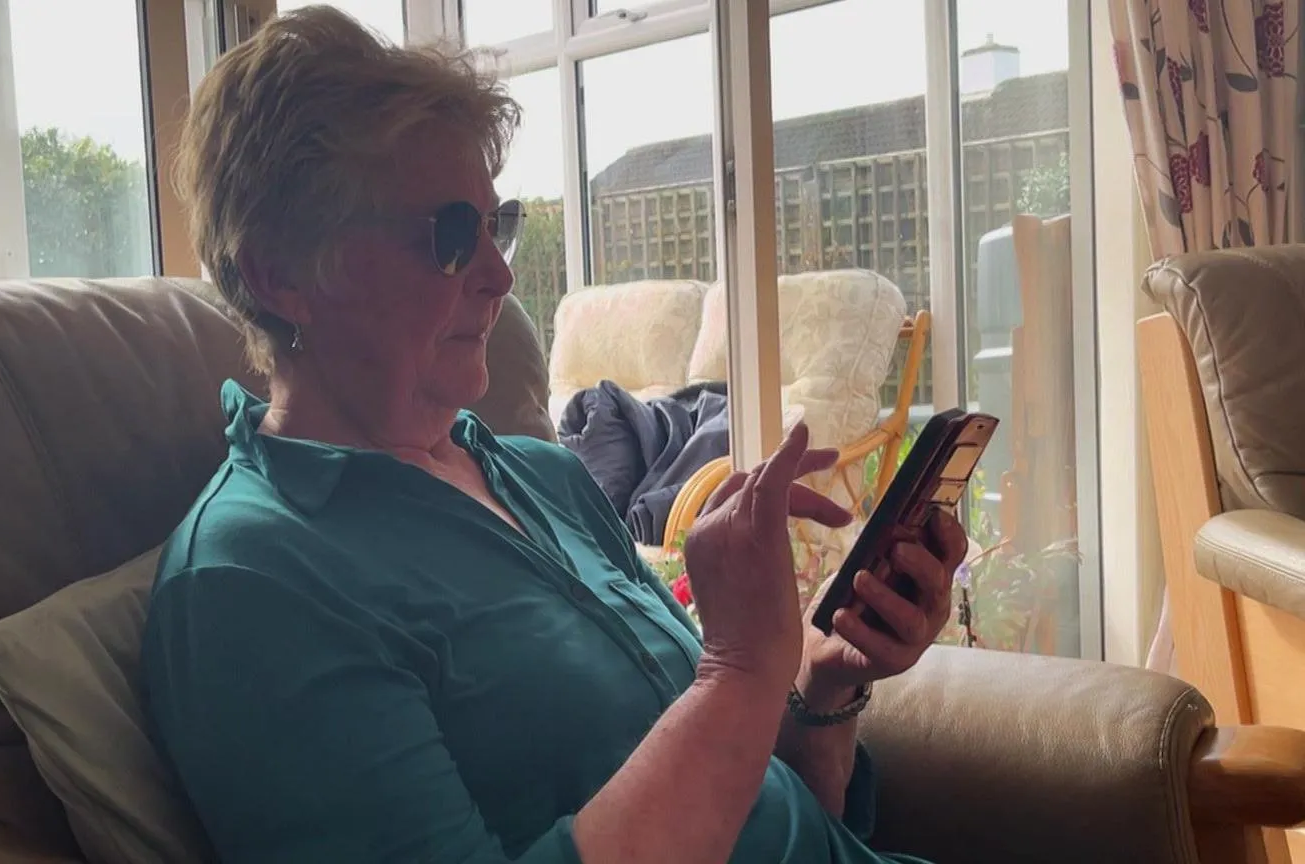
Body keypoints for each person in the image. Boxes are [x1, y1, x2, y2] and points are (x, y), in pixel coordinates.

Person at [141, 7, 967, 863]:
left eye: (497, 226)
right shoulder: (253, 583)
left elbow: (773, 818)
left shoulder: (543, 476)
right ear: (281, 274)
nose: (501, 276)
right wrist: (739, 668)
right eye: (452, 237)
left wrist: (821, 684)